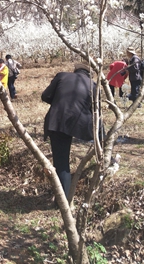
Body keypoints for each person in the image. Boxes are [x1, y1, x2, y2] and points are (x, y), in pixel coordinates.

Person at [41, 63, 97, 200]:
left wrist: (59, 102)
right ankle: (64, 198)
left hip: (58, 121)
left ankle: (63, 200)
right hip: (79, 124)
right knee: (63, 163)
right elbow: (95, 109)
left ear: (75, 70)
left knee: (61, 163)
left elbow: (45, 96)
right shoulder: (93, 85)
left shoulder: (62, 76)